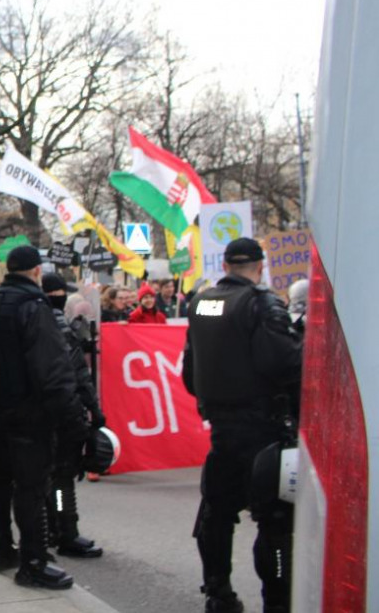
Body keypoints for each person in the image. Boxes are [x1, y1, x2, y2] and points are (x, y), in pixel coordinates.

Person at [182, 237, 303, 613]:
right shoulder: (263, 303)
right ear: (259, 265)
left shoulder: (202, 302)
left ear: (227, 265)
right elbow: (283, 363)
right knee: (274, 521)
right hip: (264, 428)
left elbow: (190, 371)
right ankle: (277, 603)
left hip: (221, 427)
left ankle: (218, 593)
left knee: (217, 513)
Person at [0, 245, 88, 591]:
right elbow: (51, 368)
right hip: (28, 411)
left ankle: (0, 548)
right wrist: (72, 418)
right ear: (37, 271)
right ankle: (33, 561)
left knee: (1, 479)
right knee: (31, 486)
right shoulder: (33, 306)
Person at [41, 273, 105, 558]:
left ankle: (52, 529)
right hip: (63, 410)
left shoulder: (32, 319)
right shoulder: (57, 325)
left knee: (49, 474)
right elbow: (77, 372)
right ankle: (65, 532)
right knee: (62, 475)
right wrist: (94, 409)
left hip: (39, 411)